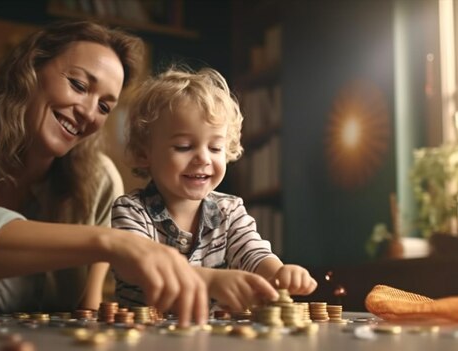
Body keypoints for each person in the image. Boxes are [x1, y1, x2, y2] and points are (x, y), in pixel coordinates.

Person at [0, 21, 209, 326]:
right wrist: (108, 242)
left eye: (105, 107)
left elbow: (96, 308)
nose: (88, 112)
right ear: (29, 70)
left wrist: (209, 280)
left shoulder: (100, 182)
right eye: (79, 85)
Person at [112, 66, 317, 310]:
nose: (203, 159)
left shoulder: (229, 211)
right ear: (144, 153)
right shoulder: (131, 210)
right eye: (184, 146)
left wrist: (280, 273)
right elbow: (140, 265)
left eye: (215, 148)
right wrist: (208, 280)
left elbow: (253, 254)